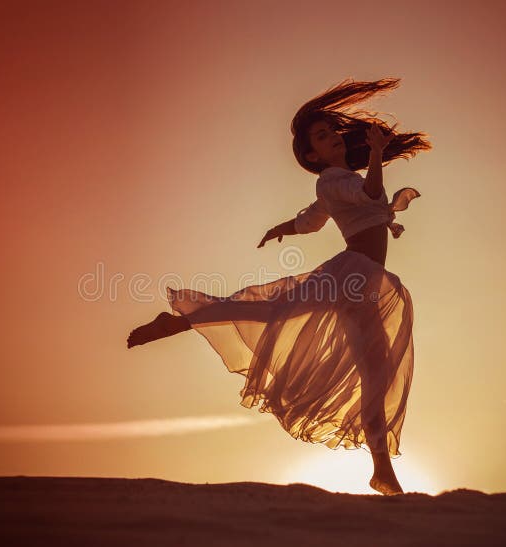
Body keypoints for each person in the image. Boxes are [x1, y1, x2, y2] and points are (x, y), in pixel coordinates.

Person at [127, 78, 431, 495]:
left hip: (367, 285)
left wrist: (280, 228)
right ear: (312, 154)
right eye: (322, 136)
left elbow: (310, 220)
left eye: (333, 131)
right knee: (270, 311)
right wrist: (377, 155)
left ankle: (381, 470)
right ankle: (184, 321)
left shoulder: (337, 182)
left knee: (374, 374)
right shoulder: (333, 181)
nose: (334, 138)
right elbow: (370, 193)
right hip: (353, 274)